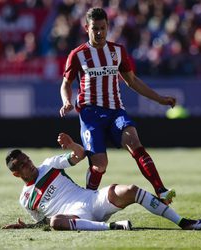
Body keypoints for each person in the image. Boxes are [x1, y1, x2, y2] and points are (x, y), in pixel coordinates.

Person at [59, 7, 176, 204]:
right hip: (90, 115)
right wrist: (67, 101)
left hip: (115, 111)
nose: (99, 32)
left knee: (134, 141)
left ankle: (161, 190)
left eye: (103, 28)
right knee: (100, 166)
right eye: (95, 28)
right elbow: (66, 84)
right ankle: (87, 202)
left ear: (108, 27)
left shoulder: (117, 51)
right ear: (87, 27)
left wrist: (160, 99)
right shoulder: (77, 54)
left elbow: (132, 81)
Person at [2, 133, 201, 231]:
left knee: (131, 189)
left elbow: (80, 155)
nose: (27, 164)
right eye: (20, 165)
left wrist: (72, 144)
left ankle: (183, 222)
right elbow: (43, 222)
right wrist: (27, 227)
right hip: (73, 217)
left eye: (26, 159)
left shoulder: (50, 165)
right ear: (16, 174)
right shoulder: (25, 199)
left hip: (91, 200)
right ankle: (113, 227)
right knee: (56, 222)